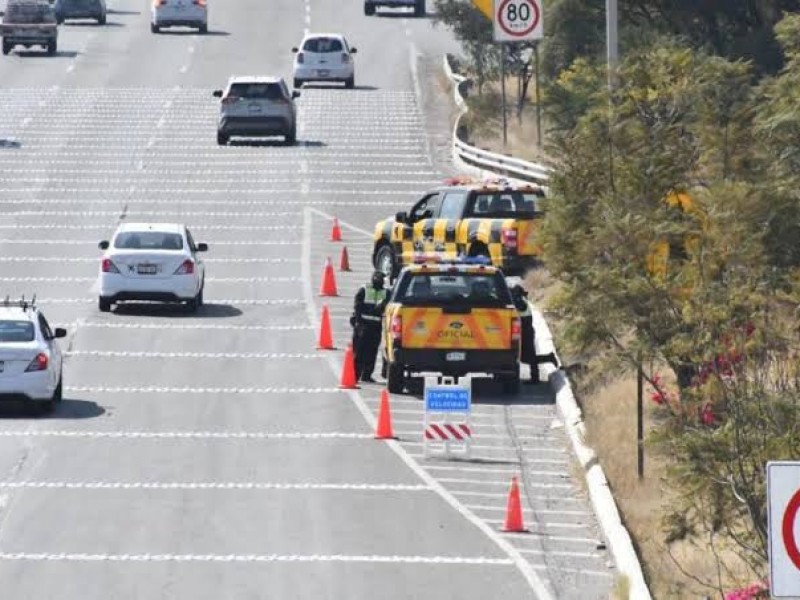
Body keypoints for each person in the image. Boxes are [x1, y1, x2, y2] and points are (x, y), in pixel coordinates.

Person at [511, 284, 559, 384]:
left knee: (529, 357)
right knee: (525, 358)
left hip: (526, 332)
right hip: (525, 331)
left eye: (514, 292)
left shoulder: (521, 302)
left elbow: (519, 307)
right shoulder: (522, 300)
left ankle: (535, 378)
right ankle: (548, 358)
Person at [350, 271, 389, 383]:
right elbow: (357, 307)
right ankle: (355, 375)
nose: (382, 281)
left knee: (372, 352)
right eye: (380, 279)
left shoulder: (386, 293)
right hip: (363, 325)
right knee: (359, 352)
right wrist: (358, 323)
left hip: (375, 327)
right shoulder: (364, 290)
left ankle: (366, 375)